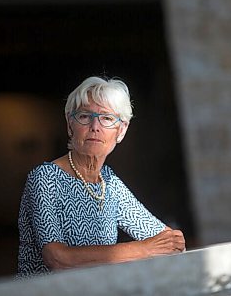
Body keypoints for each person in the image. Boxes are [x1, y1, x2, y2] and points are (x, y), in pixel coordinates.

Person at [17, 76, 185, 277]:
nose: (95, 126)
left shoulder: (109, 182)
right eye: (85, 116)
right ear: (70, 125)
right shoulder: (45, 178)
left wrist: (159, 244)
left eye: (106, 118)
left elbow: (170, 240)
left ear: (121, 131)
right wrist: (144, 249)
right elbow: (57, 258)